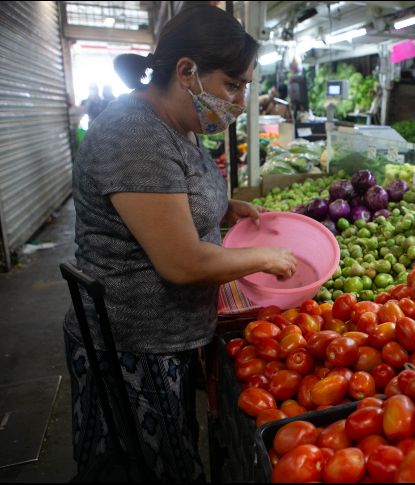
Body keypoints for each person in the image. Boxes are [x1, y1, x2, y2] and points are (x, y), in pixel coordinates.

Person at [63, 5, 296, 482]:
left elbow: (176, 198)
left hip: (170, 337)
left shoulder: (179, 125)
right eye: (233, 84)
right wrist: (265, 258)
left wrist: (225, 208)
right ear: (187, 71)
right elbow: (182, 261)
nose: (241, 99)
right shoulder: (135, 134)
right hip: (133, 345)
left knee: (174, 456)